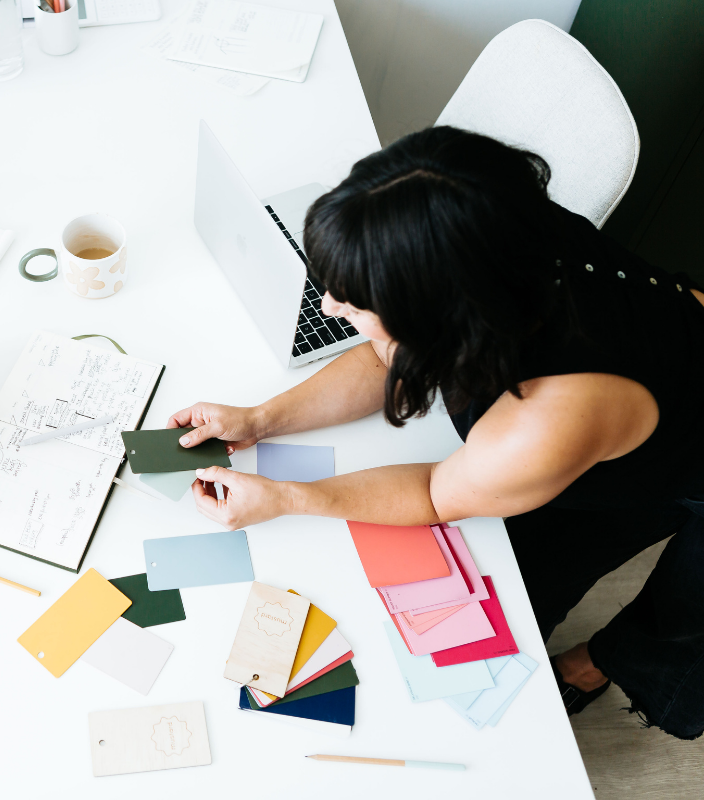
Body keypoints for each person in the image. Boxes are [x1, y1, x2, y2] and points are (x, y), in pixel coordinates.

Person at [169, 126, 704, 740]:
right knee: (538, 556)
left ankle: (595, 667)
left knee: (683, 612)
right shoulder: (482, 226)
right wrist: (260, 419)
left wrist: (289, 497)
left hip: (679, 432)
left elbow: (433, 495)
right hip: (661, 371)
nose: (327, 309)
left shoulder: (544, 421)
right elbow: (383, 357)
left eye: (352, 301)